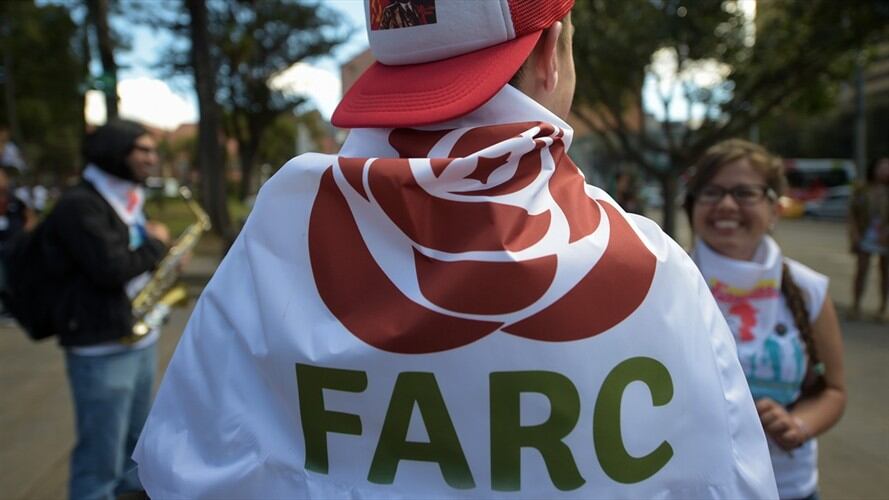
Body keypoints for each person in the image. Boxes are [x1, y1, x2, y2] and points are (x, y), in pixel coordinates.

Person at [135, 2, 777, 498]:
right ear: (551, 52)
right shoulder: (653, 268)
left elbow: (181, 464)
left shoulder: (275, 234)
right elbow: (732, 479)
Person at [685, 139, 847, 500]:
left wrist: (798, 424)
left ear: (773, 209)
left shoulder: (807, 289)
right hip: (700, 488)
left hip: (790, 487)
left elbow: (833, 391)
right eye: (711, 192)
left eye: (745, 192)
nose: (726, 204)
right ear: (693, 206)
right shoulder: (666, 282)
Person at [38, 119, 169, 500]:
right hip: (101, 346)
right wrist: (157, 245)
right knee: (100, 458)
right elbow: (110, 269)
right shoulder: (81, 204)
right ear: (116, 151)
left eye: (152, 149)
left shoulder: (125, 197)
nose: (151, 158)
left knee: (134, 447)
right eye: (142, 150)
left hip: (136, 336)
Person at [848, 157, 889, 321]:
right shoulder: (862, 189)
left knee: (885, 273)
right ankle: (856, 305)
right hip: (866, 235)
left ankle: (882, 308)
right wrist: (854, 233)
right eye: (882, 166)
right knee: (861, 270)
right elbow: (852, 213)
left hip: (885, 238)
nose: (885, 170)